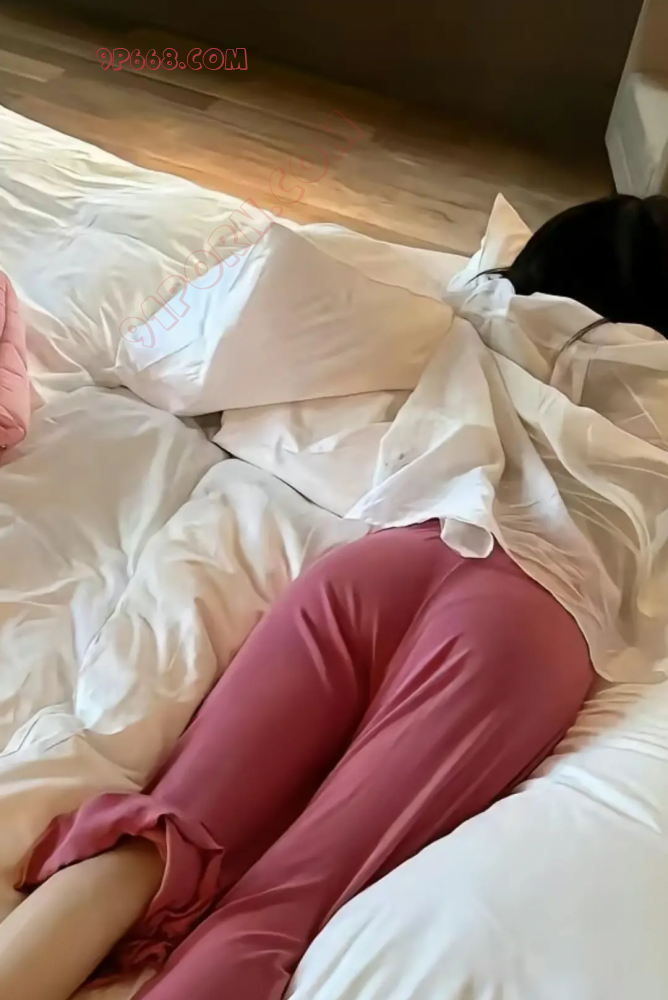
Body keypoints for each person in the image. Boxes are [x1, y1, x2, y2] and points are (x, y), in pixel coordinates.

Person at [1, 194, 667, 1000]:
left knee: (165, 833)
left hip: (384, 568)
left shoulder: (487, 314)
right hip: (525, 625)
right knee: (282, 904)